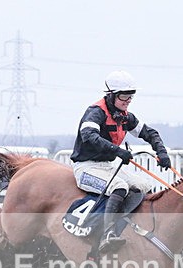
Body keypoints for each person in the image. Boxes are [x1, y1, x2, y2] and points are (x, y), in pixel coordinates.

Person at [70, 70, 172, 254]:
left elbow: (150, 133)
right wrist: (117, 151)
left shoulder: (125, 116)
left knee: (144, 186)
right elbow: (89, 136)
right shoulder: (95, 112)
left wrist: (162, 152)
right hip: (86, 167)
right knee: (119, 187)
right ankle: (107, 234)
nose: (127, 101)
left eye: (130, 97)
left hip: (108, 166)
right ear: (111, 95)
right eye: (124, 96)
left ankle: (135, 227)